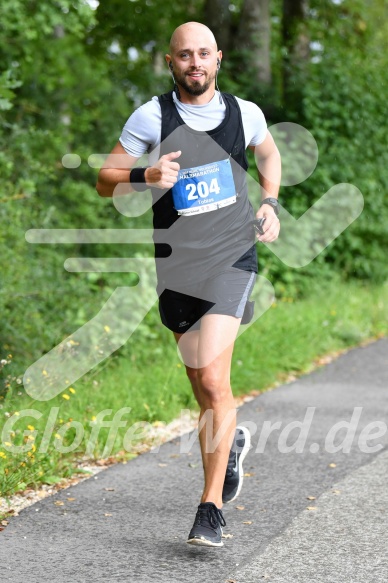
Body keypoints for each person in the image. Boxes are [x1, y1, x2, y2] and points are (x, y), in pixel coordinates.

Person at [96, 21, 281, 547]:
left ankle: (210, 508)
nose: (195, 63)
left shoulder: (245, 114)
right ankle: (231, 446)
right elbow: (105, 178)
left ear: (218, 58)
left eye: (203, 54)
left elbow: (268, 155)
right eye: (184, 55)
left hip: (232, 257)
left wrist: (269, 203)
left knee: (215, 380)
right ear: (170, 62)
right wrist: (146, 177)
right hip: (176, 267)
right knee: (201, 384)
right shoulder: (151, 115)